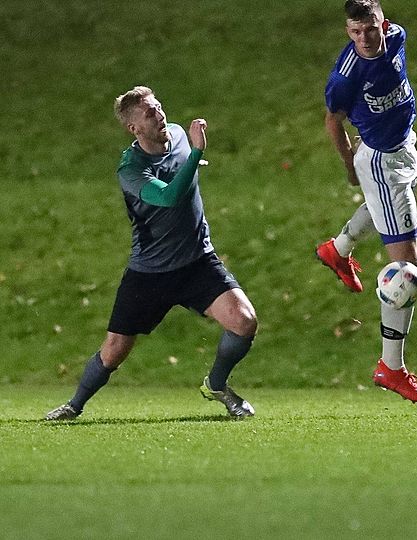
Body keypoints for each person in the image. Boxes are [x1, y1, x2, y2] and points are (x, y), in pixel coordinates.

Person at [45, 86, 258, 420]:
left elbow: (182, 168)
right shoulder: (130, 170)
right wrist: (196, 154)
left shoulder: (178, 135)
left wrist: (191, 155)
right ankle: (74, 405)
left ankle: (217, 385)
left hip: (197, 261)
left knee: (244, 321)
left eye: (158, 107)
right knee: (114, 350)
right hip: (150, 272)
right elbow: (168, 198)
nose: (159, 115)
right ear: (135, 128)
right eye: (149, 113)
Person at [315, 0, 417, 404]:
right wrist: (350, 163)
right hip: (381, 163)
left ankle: (337, 249)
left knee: (383, 211)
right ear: (347, 32)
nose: (363, 39)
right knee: (407, 274)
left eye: (369, 29)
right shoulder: (346, 76)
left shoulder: (397, 37)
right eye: (355, 32)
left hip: (402, 149)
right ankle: (391, 368)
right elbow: (332, 121)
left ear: (383, 25)